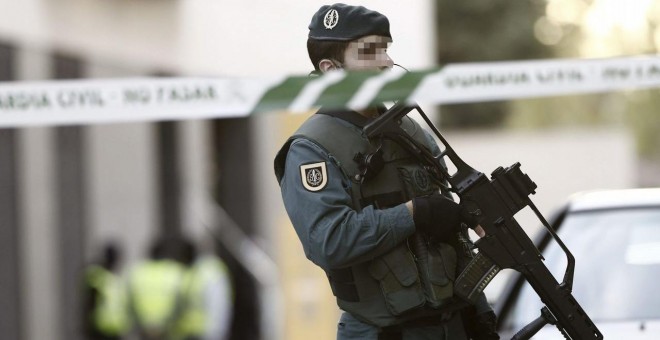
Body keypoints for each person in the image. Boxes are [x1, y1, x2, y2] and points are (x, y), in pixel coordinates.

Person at [274, 3, 499, 340]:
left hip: (453, 325)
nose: (385, 62)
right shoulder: (312, 147)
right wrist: (413, 212)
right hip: (382, 332)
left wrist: (479, 314)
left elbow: (453, 237)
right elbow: (328, 241)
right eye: (369, 52)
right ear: (331, 69)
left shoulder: (411, 131)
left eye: (385, 50)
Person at [82, 242, 130, 340]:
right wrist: (87, 324)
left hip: (116, 329)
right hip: (99, 330)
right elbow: (90, 302)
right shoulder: (97, 276)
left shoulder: (117, 279)